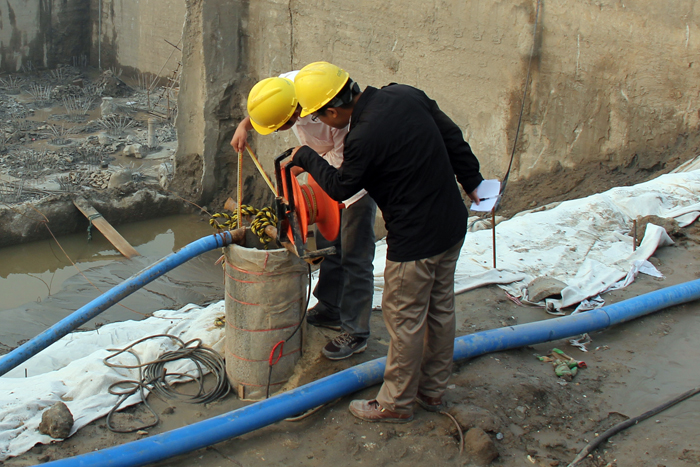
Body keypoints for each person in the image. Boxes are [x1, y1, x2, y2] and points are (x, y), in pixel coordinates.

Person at [290, 62, 483, 423]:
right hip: (452, 223)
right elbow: (451, 136)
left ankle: (395, 403)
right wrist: (474, 181)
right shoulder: (404, 93)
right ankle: (431, 391)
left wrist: (306, 157)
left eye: (320, 116)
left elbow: (342, 187)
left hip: (415, 242)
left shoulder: (363, 137)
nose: (320, 123)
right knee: (440, 310)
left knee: (405, 320)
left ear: (333, 111)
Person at [230, 73, 377, 361]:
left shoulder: (337, 120)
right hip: (324, 171)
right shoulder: (288, 86)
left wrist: (304, 164)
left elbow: (342, 167)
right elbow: (266, 101)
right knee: (329, 243)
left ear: (296, 112)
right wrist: (245, 124)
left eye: (280, 127)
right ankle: (330, 307)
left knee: (355, 255)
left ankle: (356, 332)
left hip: (352, 178)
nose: (279, 131)